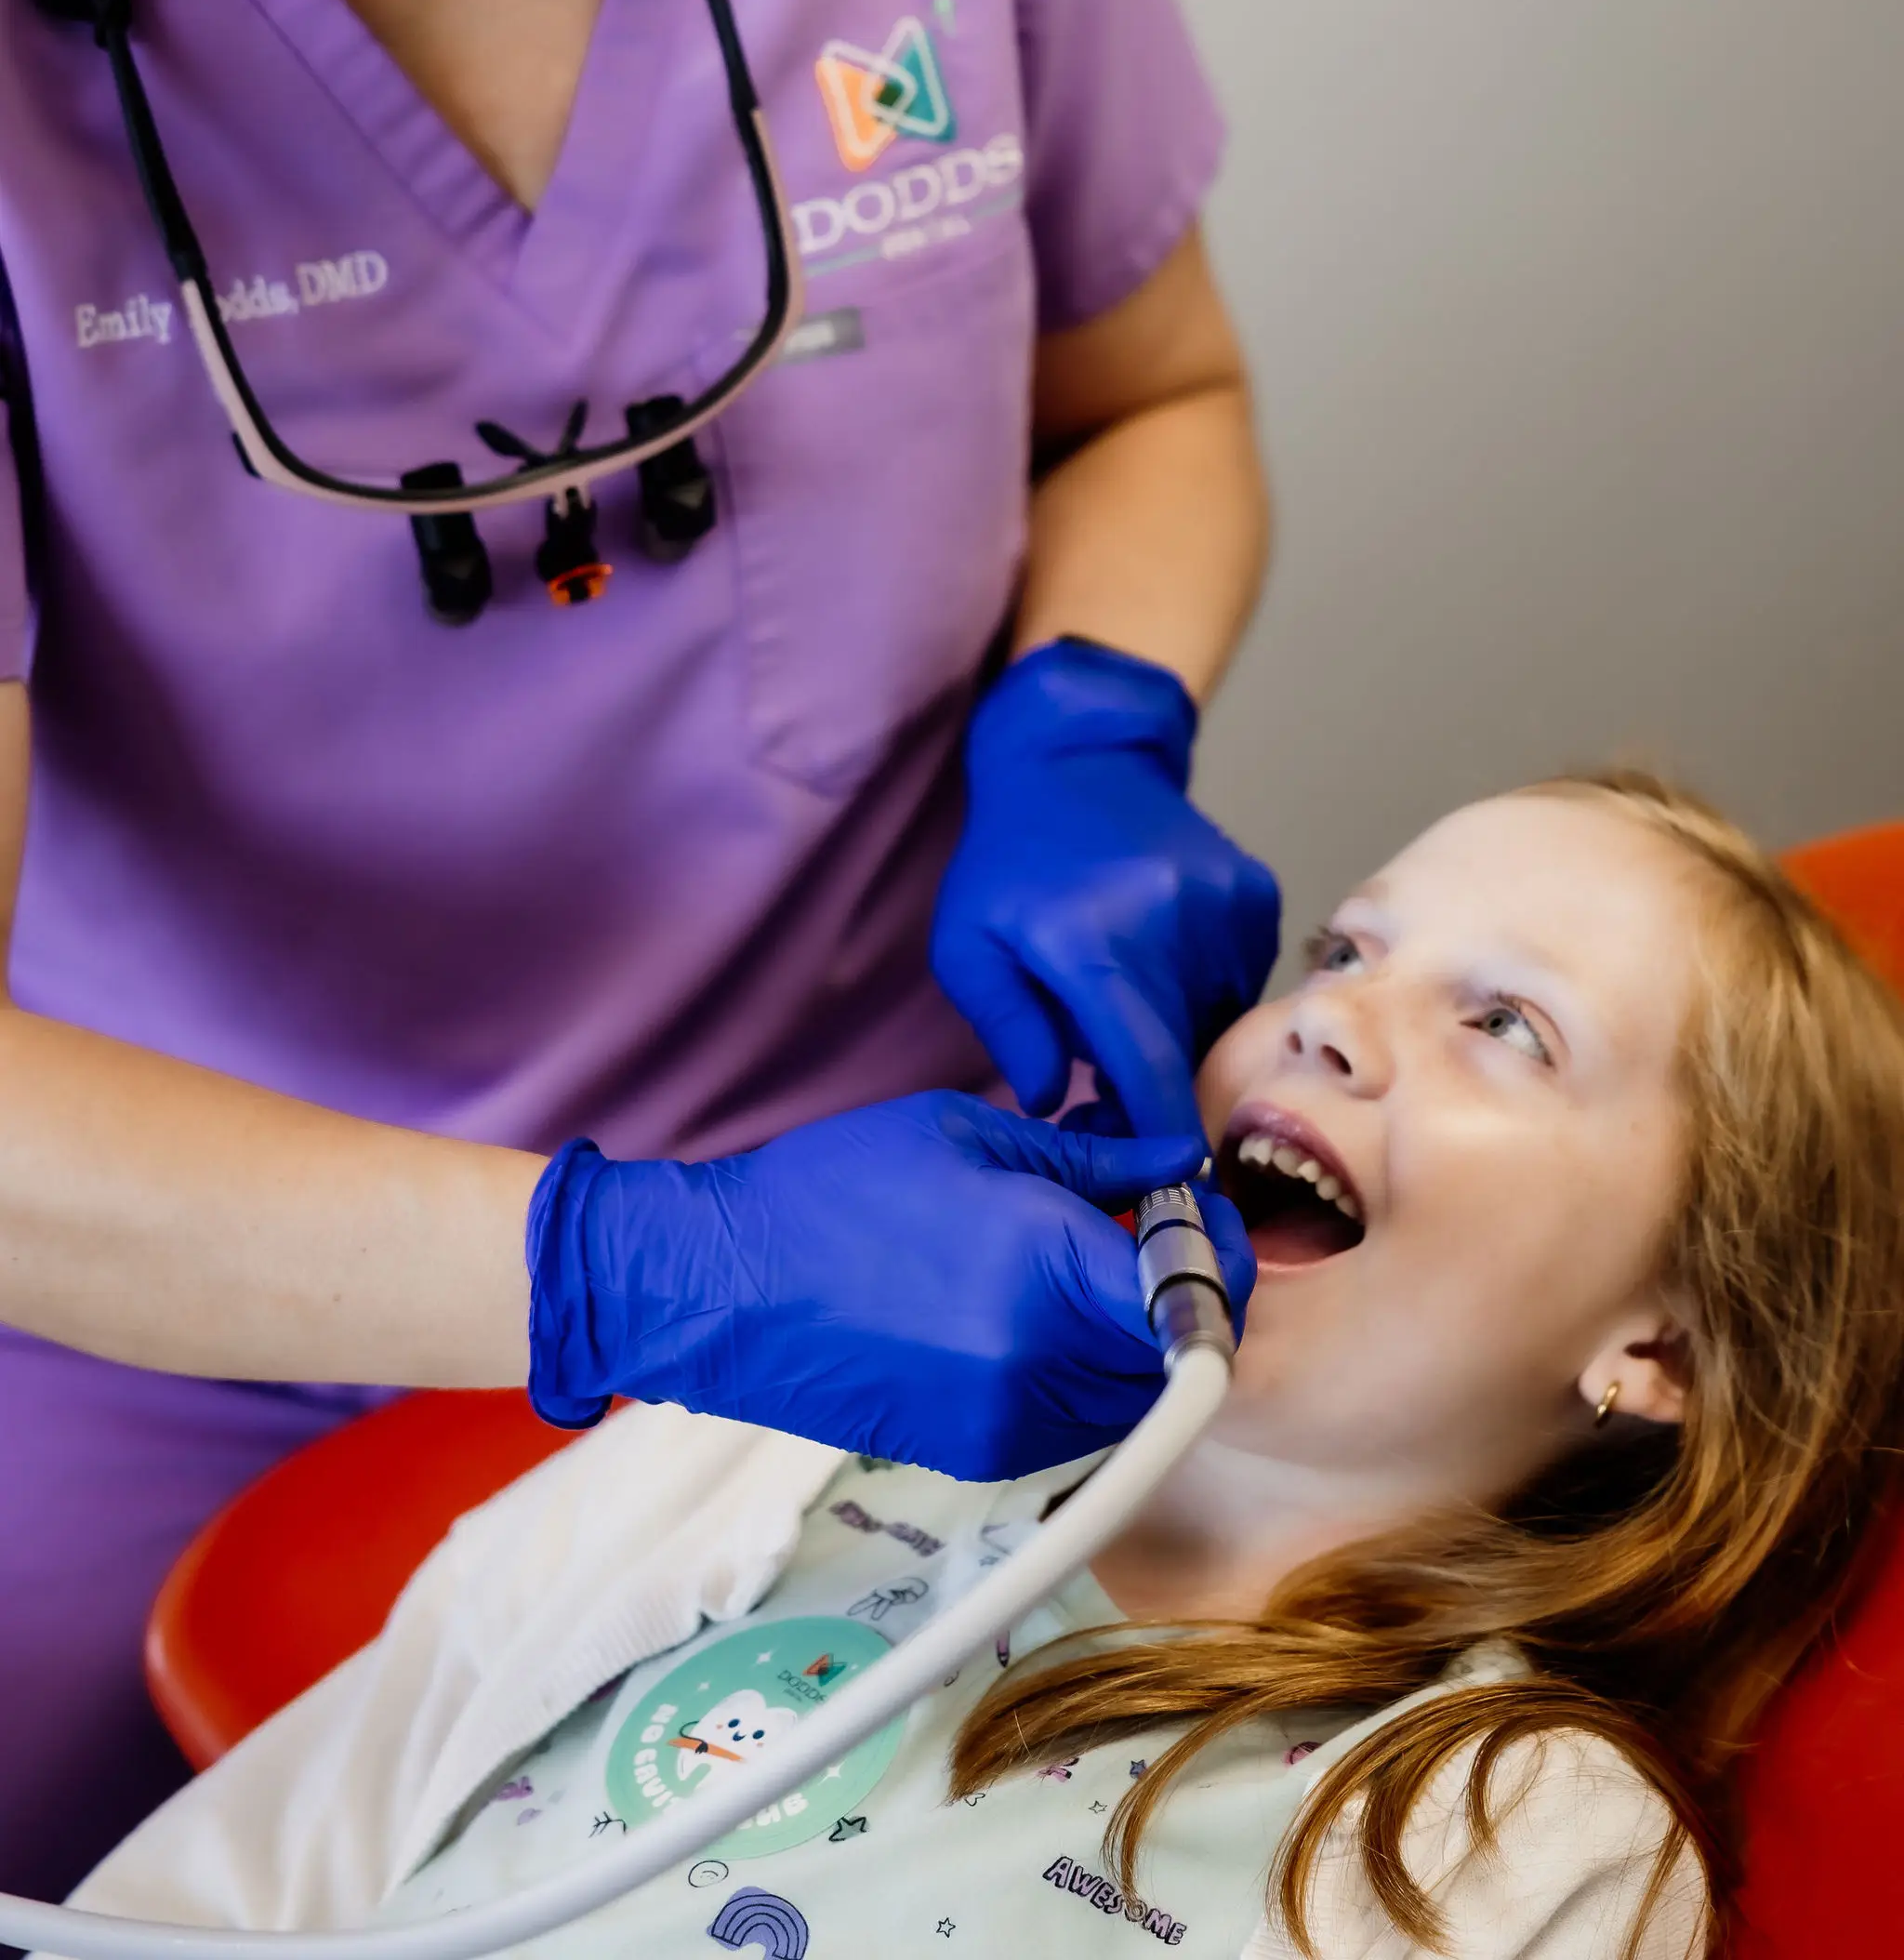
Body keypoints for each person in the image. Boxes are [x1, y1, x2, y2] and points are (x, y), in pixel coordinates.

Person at [0, 0, 1284, 1894]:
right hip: (191, 1309)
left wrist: (1096, 715)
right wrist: (639, 1278)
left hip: (935, 1181)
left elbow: (1153, 397)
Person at [63, 771, 1904, 1959]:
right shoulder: (774, 1449)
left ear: (1662, 1346)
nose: (1331, 1015)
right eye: (1345, 947)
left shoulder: (1506, 1822)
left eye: (1503, 1025)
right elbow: (273, 1857)